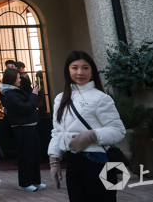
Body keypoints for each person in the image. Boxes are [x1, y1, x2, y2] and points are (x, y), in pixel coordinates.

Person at [48, 51, 126, 202]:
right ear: (68, 70)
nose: (80, 72)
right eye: (74, 67)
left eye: (85, 68)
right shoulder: (60, 99)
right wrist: (54, 159)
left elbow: (118, 130)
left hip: (97, 162)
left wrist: (92, 135)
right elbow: (57, 132)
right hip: (72, 163)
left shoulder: (101, 98)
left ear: (92, 71)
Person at [0, 68, 45, 192]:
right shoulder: (10, 94)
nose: (20, 80)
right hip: (22, 126)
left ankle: (35, 181)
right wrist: (34, 95)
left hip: (30, 124)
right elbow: (26, 108)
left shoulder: (16, 91)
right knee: (26, 155)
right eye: (18, 78)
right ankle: (25, 183)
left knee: (35, 154)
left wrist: (33, 94)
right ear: (12, 79)